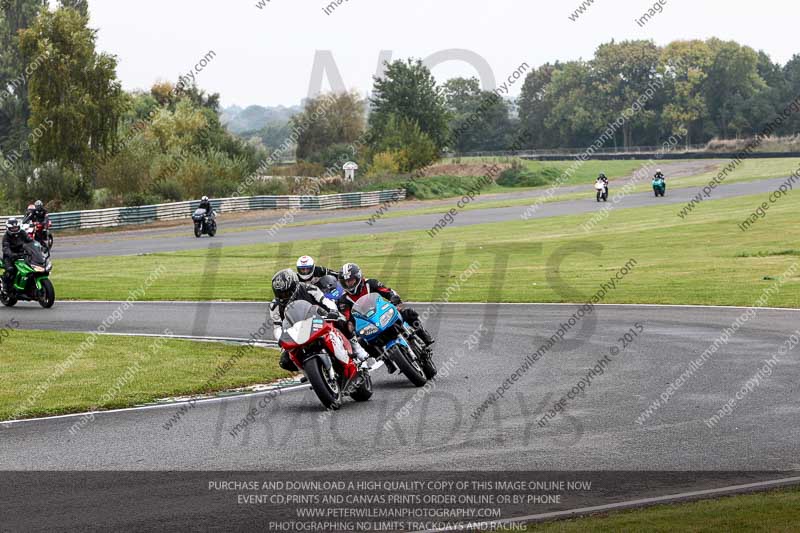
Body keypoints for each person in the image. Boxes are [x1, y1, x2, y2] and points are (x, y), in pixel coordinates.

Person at [269, 269, 369, 376]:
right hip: (296, 331)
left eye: (287, 292)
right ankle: (309, 374)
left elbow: (324, 301)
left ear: (295, 286)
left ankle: (357, 349)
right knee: (285, 361)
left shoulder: (308, 288)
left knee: (342, 321)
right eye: (280, 293)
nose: (284, 296)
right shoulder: (275, 306)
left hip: (319, 319)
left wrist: (333, 311)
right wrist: (280, 338)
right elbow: (277, 326)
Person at [338, 263, 435, 347]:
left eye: (351, 280)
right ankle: (387, 360)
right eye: (346, 282)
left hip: (383, 312)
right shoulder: (344, 300)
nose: (349, 284)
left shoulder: (371, 283)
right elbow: (347, 318)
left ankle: (423, 334)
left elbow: (387, 291)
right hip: (368, 325)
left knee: (408, 312)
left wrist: (394, 298)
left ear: (358, 277)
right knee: (362, 342)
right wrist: (349, 325)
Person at [2, 218, 33, 295]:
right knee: (11, 269)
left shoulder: (22, 233)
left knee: (32, 267)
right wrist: (11, 254)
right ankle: (5, 287)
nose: (15, 229)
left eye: (16, 228)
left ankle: (29, 285)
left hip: (22, 254)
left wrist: (38, 246)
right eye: (13, 228)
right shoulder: (6, 237)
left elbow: (30, 240)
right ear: (8, 228)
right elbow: (6, 248)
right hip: (10, 257)